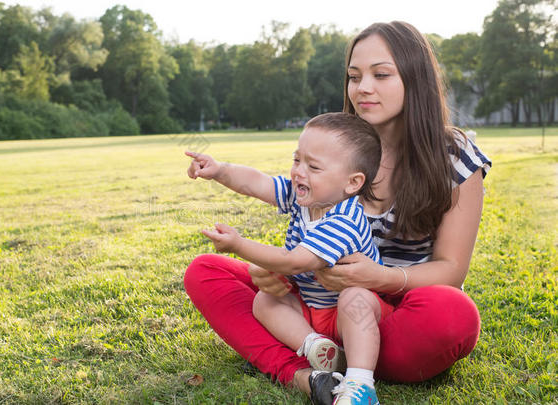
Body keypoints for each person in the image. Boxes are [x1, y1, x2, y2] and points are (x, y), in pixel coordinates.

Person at [184, 21, 491, 405]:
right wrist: (274, 272)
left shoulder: (455, 158)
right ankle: (309, 377)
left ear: (415, 80)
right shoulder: (336, 147)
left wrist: (378, 277)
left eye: (381, 75)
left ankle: (352, 365)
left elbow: (451, 269)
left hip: (392, 311)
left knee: (452, 314)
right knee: (205, 272)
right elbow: (276, 200)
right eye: (354, 76)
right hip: (314, 303)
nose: (363, 87)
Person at [186, 113, 389, 403]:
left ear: (352, 183)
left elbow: (295, 261)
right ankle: (316, 348)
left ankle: (361, 384)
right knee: (266, 300)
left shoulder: (345, 219)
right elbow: (257, 183)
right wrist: (219, 170)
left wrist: (239, 245)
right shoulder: (302, 197)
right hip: (312, 309)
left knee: (353, 298)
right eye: (297, 160)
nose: (298, 172)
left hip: (355, 317)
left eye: (313, 166)